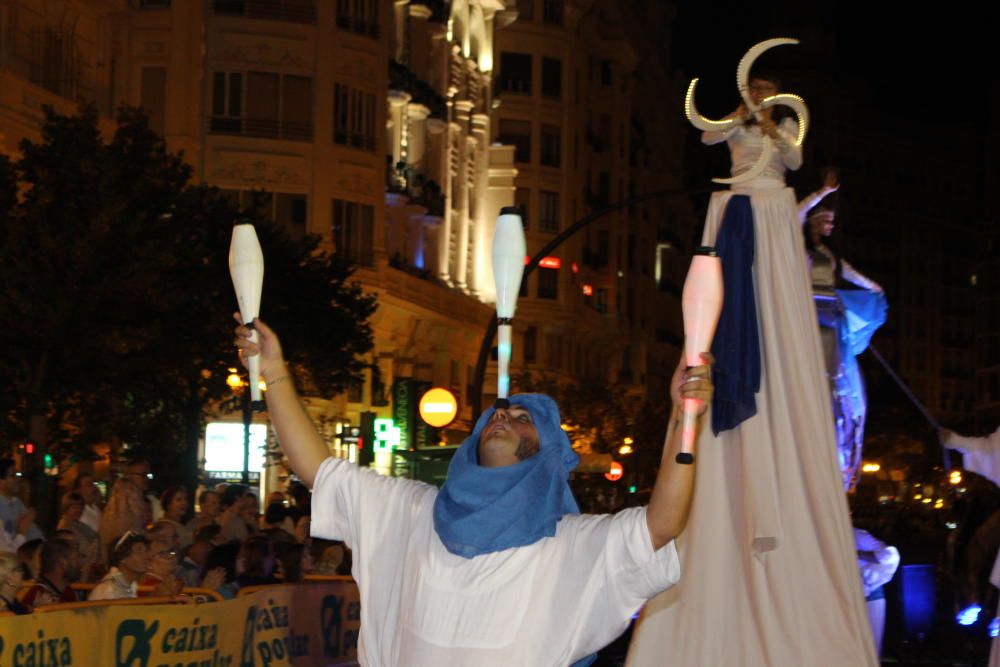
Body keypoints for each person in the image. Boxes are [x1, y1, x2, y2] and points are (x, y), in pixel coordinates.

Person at [235, 316, 711, 666]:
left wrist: (684, 417)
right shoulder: (411, 512)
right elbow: (319, 469)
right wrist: (273, 370)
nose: (503, 416)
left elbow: (662, 522)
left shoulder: (569, 543)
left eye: (524, 420)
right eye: (498, 415)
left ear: (549, 454)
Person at [627, 74, 878, 667]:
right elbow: (708, 137)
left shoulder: (782, 124)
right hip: (735, 205)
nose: (759, 95)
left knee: (772, 302)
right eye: (754, 88)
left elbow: (791, 155)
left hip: (768, 209)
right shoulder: (736, 122)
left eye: (765, 89)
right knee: (724, 301)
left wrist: (768, 124)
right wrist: (737, 114)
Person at [800, 173, 887, 490]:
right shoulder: (797, 248)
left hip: (832, 327)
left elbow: (855, 276)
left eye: (833, 221)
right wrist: (820, 192)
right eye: (826, 218)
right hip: (806, 321)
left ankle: (838, 454)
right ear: (812, 219)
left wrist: (874, 289)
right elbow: (794, 214)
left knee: (842, 388)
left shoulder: (832, 257)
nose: (831, 225)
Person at [854, 527, 900, 656]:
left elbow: (888, 554)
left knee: (871, 646)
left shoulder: (857, 535)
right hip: (849, 597)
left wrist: (857, 554)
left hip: (871, 595)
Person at [20, 538, 82, 608]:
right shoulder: (35, 597)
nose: (80, 564)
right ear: (63, 564)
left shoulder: (69, 592)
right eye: (76, 559)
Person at [89, 532, 149, 600]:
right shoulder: (110, 590)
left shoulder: (127, 586)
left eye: (146, 551)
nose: (146, 556)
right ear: (122, 558)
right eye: (139, 550)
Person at [99, 478, 147, 559]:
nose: (140, 505)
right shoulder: (122, 528)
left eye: (140, 499)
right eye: (134, 500)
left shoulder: (139, 522)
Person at [56, 491, 100, 579]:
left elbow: (96, 537)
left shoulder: (78, 524)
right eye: (74, 507)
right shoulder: (64, 528)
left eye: (81, 508)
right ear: (66, 508)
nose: (78, 511)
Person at [0, 458, 43, 542]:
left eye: (18, 474)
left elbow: (33, 530)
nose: (18, 479)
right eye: (12, 476)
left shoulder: (17, 502)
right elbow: (6, 544)